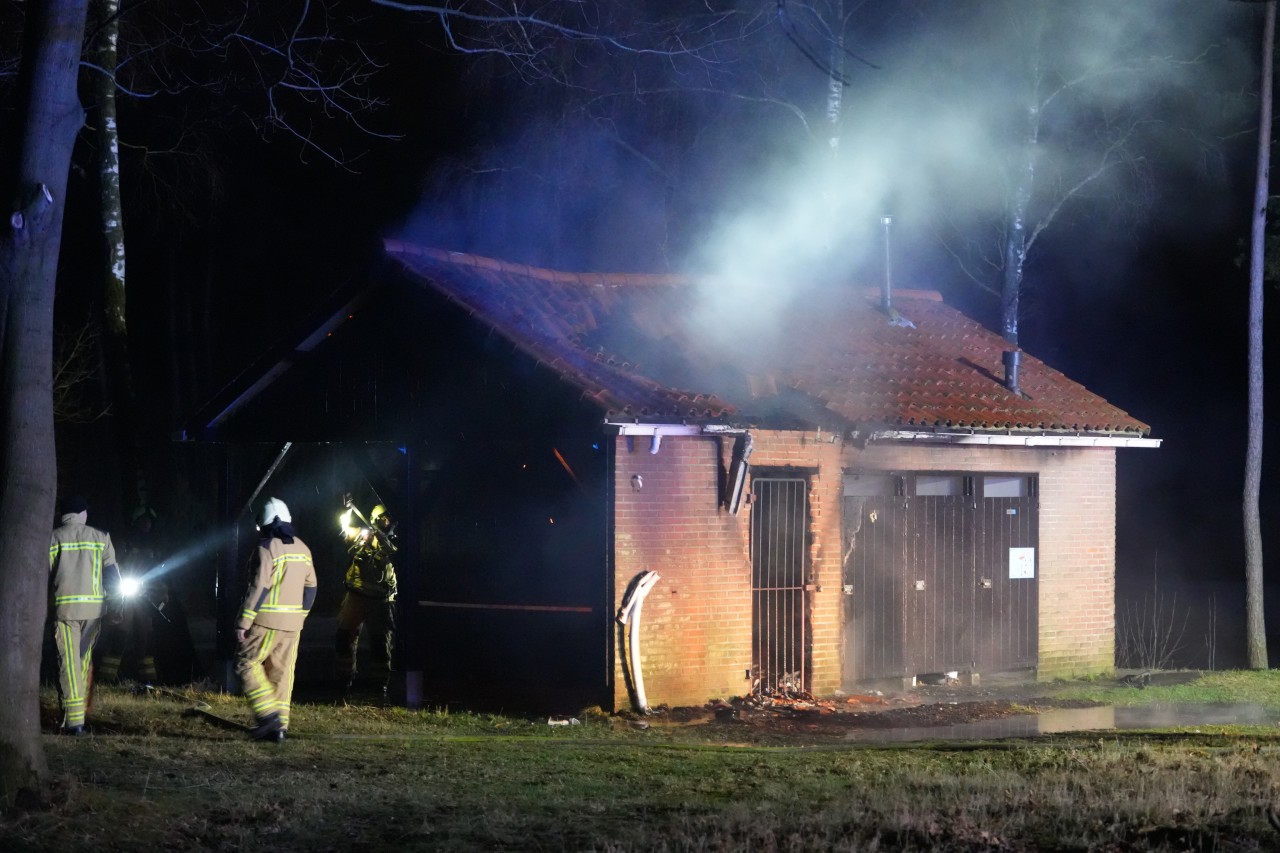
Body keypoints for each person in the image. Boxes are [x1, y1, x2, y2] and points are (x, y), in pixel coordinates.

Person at [234, 497, 317, 743]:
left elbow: (259, 587)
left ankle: (267, 715)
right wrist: (300, 616)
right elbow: (311, 587)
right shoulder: (303, 548)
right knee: (281, 674)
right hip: (293, 626)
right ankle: (278, 728)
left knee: (246, 664)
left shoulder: (266, 548)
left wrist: (243, 622)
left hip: (265, 622)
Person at [49, 494, 121, 735]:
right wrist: (117, 606)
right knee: (81, 662)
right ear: (82, 513)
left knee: (68, 664)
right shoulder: (101, 538)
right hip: (94, 611)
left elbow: (43, 575)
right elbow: (113, 578)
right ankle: (76, 719)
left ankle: (74, 723)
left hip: (65, 611)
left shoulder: (53, 537)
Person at [335, 499, 398, 699]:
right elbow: (343, 528)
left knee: (380, 643)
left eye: (389, 520)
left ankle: (380, 685)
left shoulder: (392, 541)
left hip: (381, 599)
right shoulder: (363, 535)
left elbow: (394, 553)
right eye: (383, 519)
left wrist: (382, 538)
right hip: (356, 595)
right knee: (344, 637)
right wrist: (346, 510)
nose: (386, 522)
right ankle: (345, 680)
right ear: (375, 520)